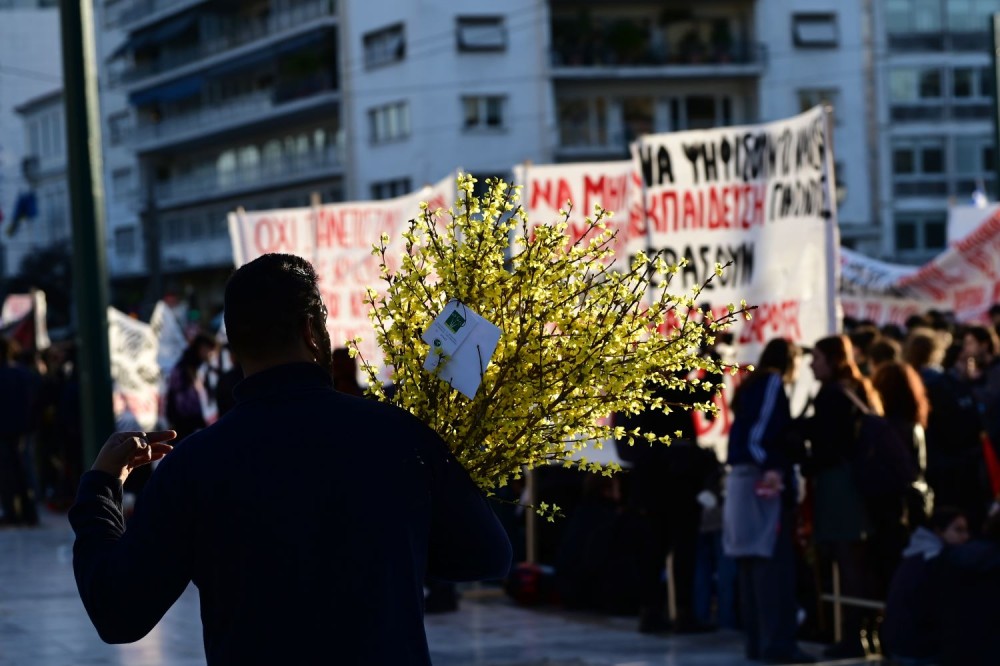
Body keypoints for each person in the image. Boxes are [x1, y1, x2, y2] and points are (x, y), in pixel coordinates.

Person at [69, 253, 512, 664]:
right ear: (310, 332)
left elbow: (119, 612)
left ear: (236, 345)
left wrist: (102, 486)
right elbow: (488, 555)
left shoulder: (196, 465)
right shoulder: (400, 435)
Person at [724, 338, 814, 664]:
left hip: (743, 483)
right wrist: (772, 468)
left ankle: (758, 643)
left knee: (750, 567)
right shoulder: (772, 382)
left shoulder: (751, 384)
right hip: (760, 483)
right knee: (771, 568)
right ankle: (777, 644)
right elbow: (757, 436)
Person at [799, 334, 882, 659]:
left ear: (832, 360)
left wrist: (804, 453)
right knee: (858, 563)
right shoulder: (857, 389)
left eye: (817, 358)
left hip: (840, 486)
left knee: (849, 562)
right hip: (855, 485)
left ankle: (853, 634)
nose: (811, 364)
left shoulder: (835, 394)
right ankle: (866, 632)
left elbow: (829, 446)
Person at [881, 507, 970, 665]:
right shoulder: (935, 561)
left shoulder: (918, 555)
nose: (965, 537)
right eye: (958, 530)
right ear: (938, 531)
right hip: (920, 649)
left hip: (903, 644)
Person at [0, 336, 40, 526]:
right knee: (25, 472)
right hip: (24, 431)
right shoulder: (26, 374)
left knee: (7, 475)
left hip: (6, 432)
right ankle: (29, 512)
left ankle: (12, 513)